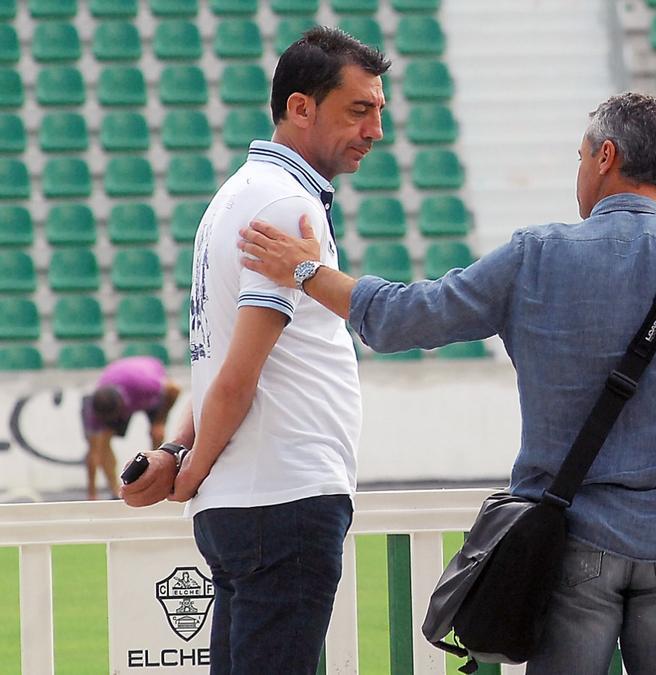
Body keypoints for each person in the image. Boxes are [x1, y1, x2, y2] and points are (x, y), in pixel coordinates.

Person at [237, 91, 656, 675]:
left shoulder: (537, 254)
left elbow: (404, 317)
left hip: (569, 535)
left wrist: (307, 272)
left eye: (581, 156)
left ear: (605, 156)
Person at [119, 26, 388, 674]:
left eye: (379, 110)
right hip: (285, 495)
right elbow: (237, 375)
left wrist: (182, 449)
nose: (376, 129)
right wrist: (190, 469)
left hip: (251, 500)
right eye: (360, 109)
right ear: (301, 107)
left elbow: (225, 364)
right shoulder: (284, 203)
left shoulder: (236, 195)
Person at [81, 355, 180, 500]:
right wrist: (92, 495)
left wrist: (160, 421)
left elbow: (174, 389)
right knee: (101, 443)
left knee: (157, 434)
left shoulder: (146, 387)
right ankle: (116, 492)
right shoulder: (95, 409)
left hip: (144, 382)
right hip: (119, 382)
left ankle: (157, 481)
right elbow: (93, 453)